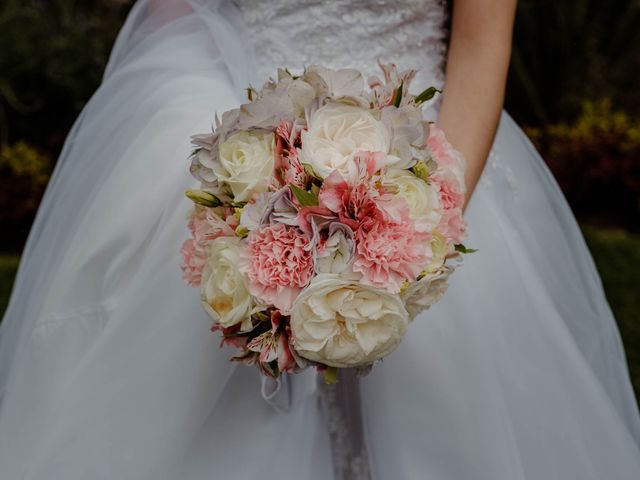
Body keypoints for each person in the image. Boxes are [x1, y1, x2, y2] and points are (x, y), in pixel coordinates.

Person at [1, 0, 639, 478]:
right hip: (242, 144)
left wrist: (418, 226)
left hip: (425, 150)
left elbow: (480, 48)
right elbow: (178, 20)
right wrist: (247, 184)